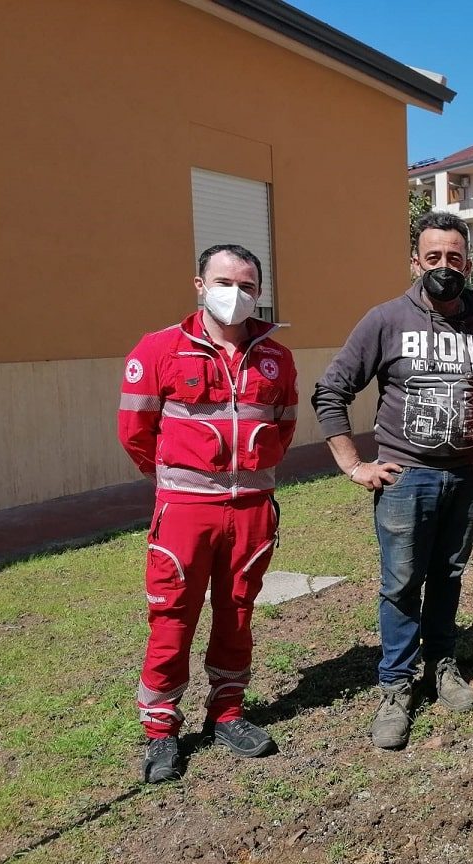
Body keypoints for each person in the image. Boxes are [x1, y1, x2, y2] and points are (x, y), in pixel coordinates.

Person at [312, 212, 473, 751]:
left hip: (465, 476)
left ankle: (441, 665)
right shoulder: (386, 320)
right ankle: (395, 685)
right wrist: (353, 464)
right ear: (415, 262)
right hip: (406, 478)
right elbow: (332, 391)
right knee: (400, 583)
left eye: (455, 257)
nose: (445, 266)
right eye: (434, 257)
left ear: (469, 261)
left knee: (448, 575)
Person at [119, 244, 298, 783]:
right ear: (199, 284)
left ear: (259, 293)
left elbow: (283, 426)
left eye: (247, 286)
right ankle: (160, 731)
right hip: (184, 513)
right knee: (172, 617)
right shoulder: (158, 350)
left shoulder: (277, 357)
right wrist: (180, 482)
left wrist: (248, 479)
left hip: (251, 510)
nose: (235, 294)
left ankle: (226, 714)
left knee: (237, 611)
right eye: (224, 282)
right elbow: (136, 434)